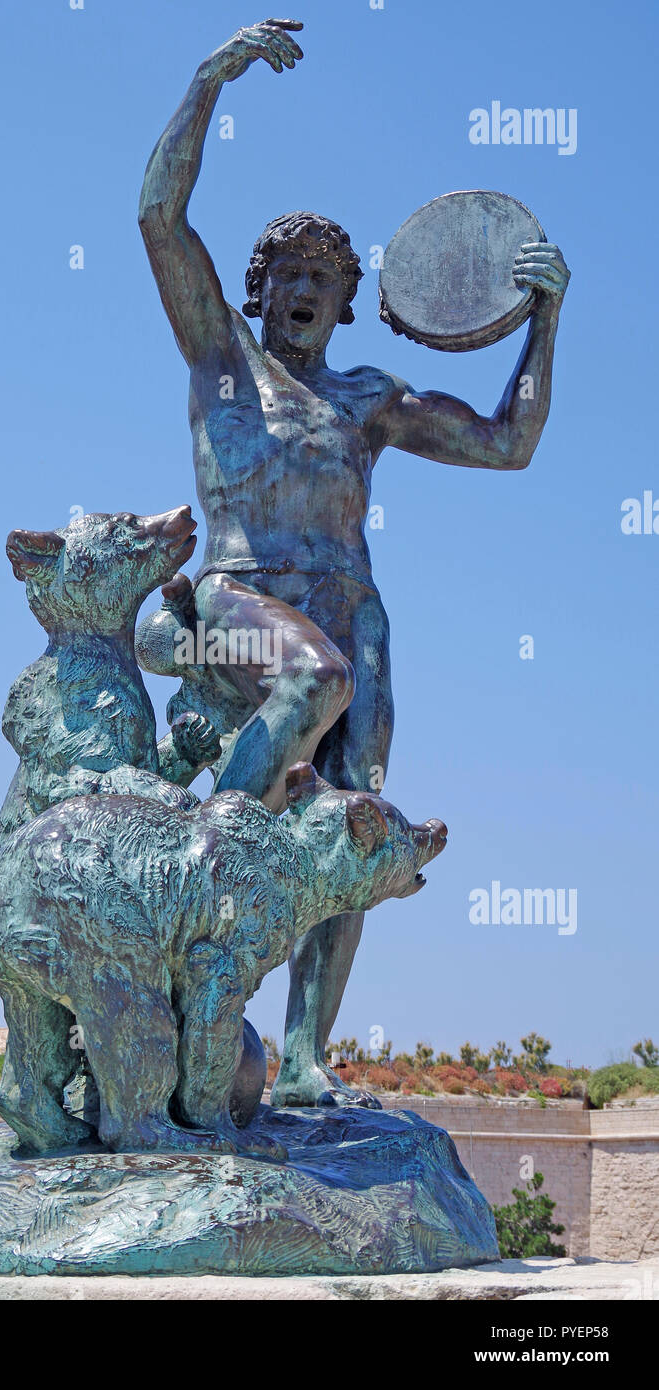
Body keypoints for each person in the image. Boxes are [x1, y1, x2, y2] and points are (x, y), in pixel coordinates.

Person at [138, 19, 569, 1108]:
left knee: (354, 817)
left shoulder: (367, 399)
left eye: (325, 275)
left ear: (345, 299)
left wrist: (544, 318)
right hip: (235, 606)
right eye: (286, 270)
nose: (304, 287)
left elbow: (508, 445)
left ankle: (307, 1054)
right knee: (311, 678)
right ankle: (214, 852)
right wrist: (211, 78)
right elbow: (156, 213)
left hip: (351, 618)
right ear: (256, 287)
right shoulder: (218, 359)